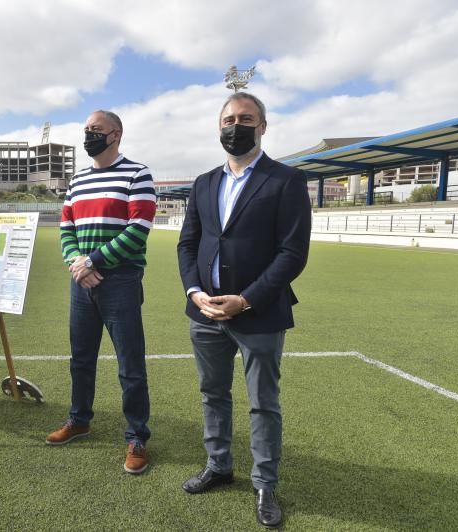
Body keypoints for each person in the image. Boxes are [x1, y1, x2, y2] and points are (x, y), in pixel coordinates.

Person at [177, 92, 311, 528]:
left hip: (259, 312)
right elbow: (188, 244)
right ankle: (218, 465)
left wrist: (246, 298)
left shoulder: (286, 180)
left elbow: (292, 253)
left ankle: (264, 483)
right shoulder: (203, 183)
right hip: (205, 313)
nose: (236, 126)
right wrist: (195, 291)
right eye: (229, 119)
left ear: (263, 126)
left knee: (263, 403)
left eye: (246, 119)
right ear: (219, 127)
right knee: (212, 394)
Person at [45, 110, 156, 475]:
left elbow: (138, 228)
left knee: (130, 365)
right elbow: (67, 227)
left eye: (96, 130)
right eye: (86, 130)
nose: (89, 135)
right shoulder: (76, 180)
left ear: (116, 134)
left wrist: (93, 261)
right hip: (82, 282)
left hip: (120, 281)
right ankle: (80, 420)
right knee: (80, 359)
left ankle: (137, 435)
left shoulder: (138, 174)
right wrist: (77, 263)